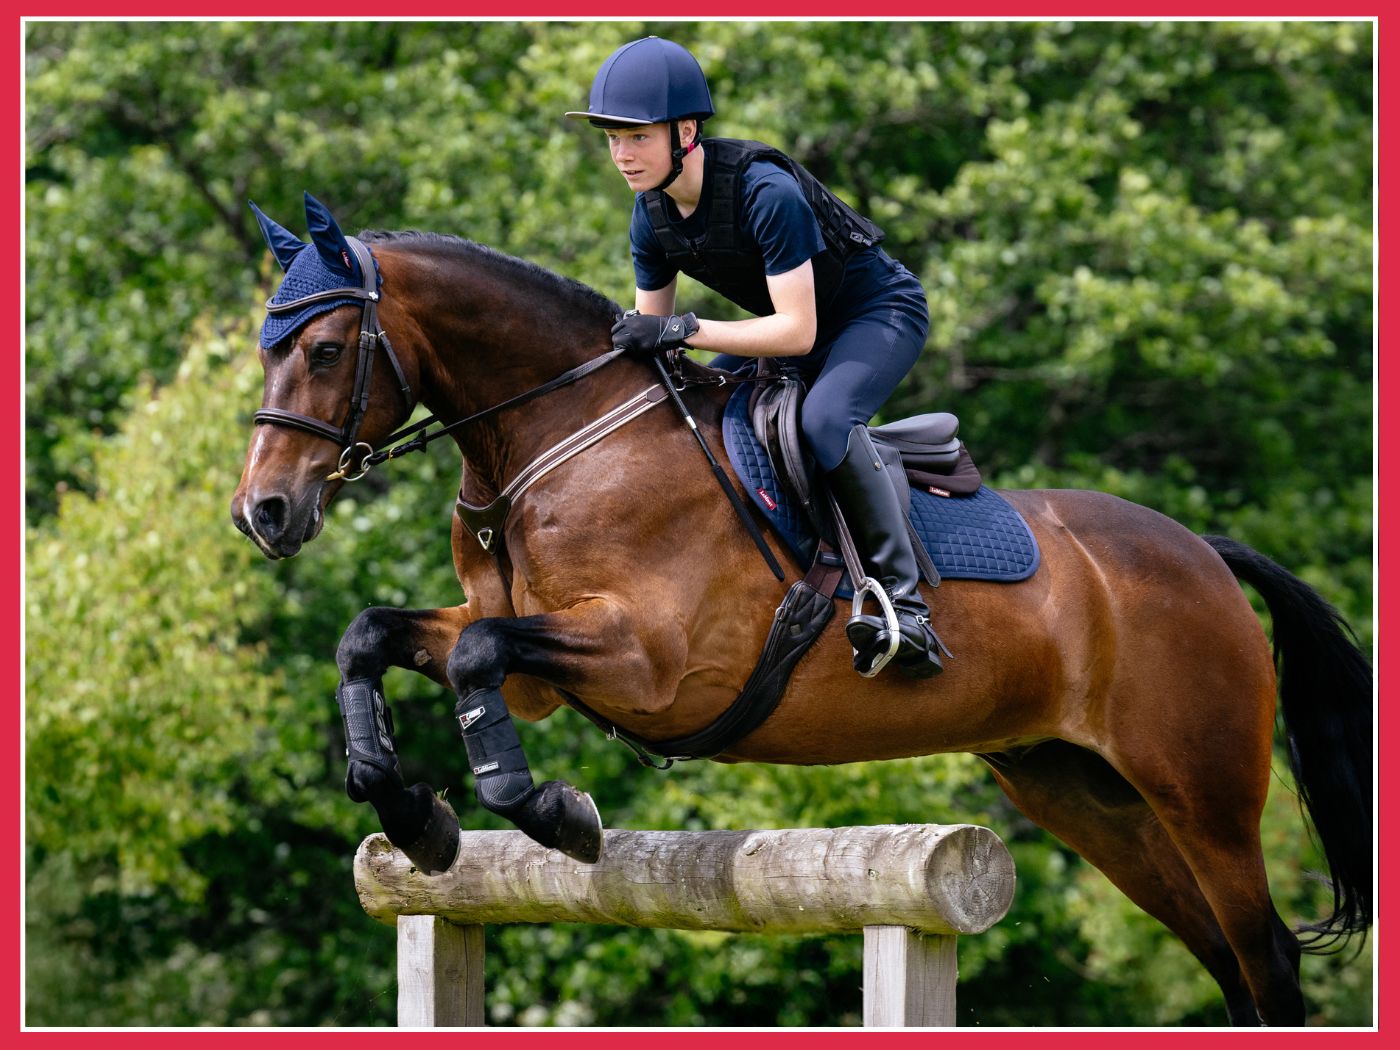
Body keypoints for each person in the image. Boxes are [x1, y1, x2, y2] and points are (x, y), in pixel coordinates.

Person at [566, 36, 945, 679]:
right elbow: (657, 340)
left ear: (685, 130)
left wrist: (686, 330)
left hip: (873, 315)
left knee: (823, 421)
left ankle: (904, 606)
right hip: (795, 327)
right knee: (692, 408)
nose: (622, 155)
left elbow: (796, 333)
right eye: (612, 138)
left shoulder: (766, 193)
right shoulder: (649, 215)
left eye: (636, 136)